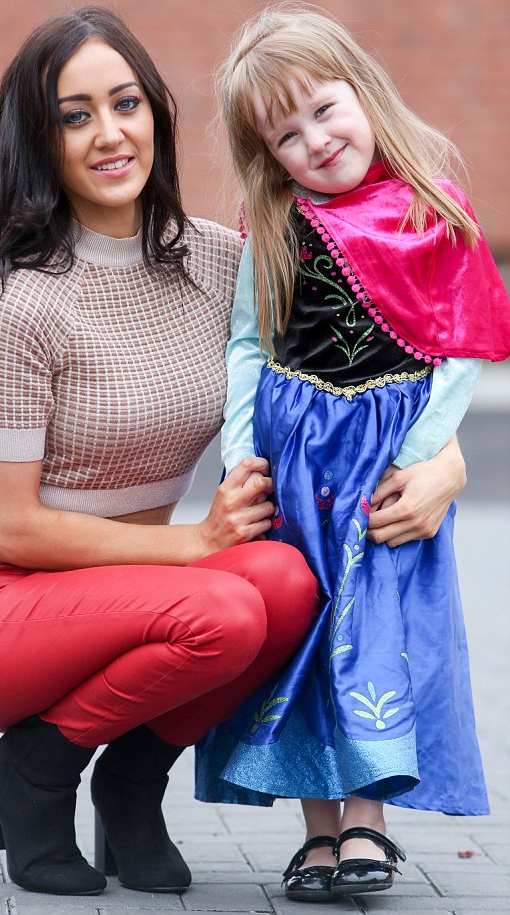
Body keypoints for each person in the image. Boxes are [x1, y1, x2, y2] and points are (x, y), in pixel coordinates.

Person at [0, 3, 466, 901]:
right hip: (6, 615)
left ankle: (132, 787)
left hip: (146, 598)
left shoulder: (219, 262)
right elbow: (11, 530)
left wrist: (446, 463)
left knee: (289, 585)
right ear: (37, 139)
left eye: (125, 103)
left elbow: (366, 366)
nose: (108, 133)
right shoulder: (19, 306)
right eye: (73, 115)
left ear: (158, 113)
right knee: (230, 610)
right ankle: (37, 770)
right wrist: (197, 543)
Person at [194, 2, 510, 904]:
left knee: (371, 633)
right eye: (286, 135)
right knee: (300, 629)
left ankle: (368, 821)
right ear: (269, 156)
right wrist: (242, 451)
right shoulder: (275, 227)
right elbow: (251, 346)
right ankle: (318, 834)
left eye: (324, 110)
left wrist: (417, 453)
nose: (315, 141)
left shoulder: (431, 211)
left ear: (362, 93)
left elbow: (460, 348)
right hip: (298, 466)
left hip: (382, 464)